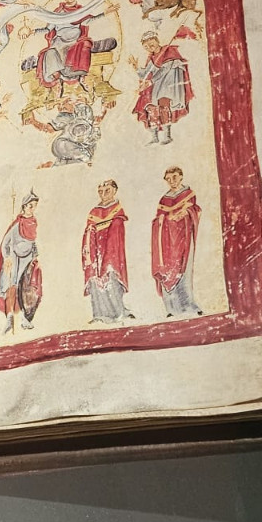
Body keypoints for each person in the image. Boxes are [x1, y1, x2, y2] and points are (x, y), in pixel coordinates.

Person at [19, 0, 115, 101]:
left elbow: (88, 21)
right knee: (50, 53)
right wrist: (32, 32)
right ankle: (57, 80)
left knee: (85, 44)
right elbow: (47, 29)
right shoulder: (57, 13)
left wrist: (105, 13)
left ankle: (82, 76)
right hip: (59, 43)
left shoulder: (80, 11)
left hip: (74, 42)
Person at [151, 166, 202, 316]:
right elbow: (159, 218)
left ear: (181, 177)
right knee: (167, 270)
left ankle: (188, 305)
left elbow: (194, 210)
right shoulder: (164, 199)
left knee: (184, 269)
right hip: (167, 241)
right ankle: (171, 308)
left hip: (183, 238)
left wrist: (186, 212)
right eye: (168, 179)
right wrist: (164, 219)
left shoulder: (187, 194)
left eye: (174, 177)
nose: (172, 181)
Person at [82, 179, 134, 323]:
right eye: (100, 191)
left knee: (111, 276)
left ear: (114, 191)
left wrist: (108, 252)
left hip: (111, 251)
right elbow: (89, 230)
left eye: (107, 191)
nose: (103, 194)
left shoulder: (117, 209)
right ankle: (100, 314)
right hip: (95, 252)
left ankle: (118, 312)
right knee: (95, 278)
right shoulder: (94, 211)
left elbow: (117, 230)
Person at [129, 29, 192, 144]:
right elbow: (145, 74)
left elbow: (164, 70)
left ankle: (167, 136)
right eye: (146, 47)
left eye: (151, 44)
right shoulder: (152, 58)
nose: (149, 48)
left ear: (157, 41)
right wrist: (135, 67)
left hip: (167, 85)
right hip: (157, 86)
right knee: (152, 109)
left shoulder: (168, 52)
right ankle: (154, 137)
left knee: (164, 107)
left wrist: (151, 81)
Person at [0, 191, 42, 333]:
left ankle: (23, 318)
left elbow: (32, 242)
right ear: (24, 206)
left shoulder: (33, 222)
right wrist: (7, 257)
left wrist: (35, 256)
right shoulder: (18, 224)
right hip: (15, 259)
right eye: (30, 205)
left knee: (25, 289)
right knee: (12, 287)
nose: (32, 208)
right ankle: (9, 318)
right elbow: (5, 242)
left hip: (27, 260)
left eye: (34, 205)